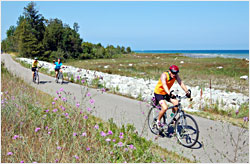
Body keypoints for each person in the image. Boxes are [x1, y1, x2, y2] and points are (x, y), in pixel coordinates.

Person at [154, 65, 191, 129]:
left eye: (176, 73)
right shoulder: (164, 75)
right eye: (173, 73)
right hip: (159, 93)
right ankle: (158, 121)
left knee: (176, 103)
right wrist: (169, 93)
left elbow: (181, 83)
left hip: (166, 93)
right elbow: (164, 85)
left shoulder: (175, 76)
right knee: (165, 107)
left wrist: (187, 92)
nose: (174, 74)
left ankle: (172, 118)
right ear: (169, 71)